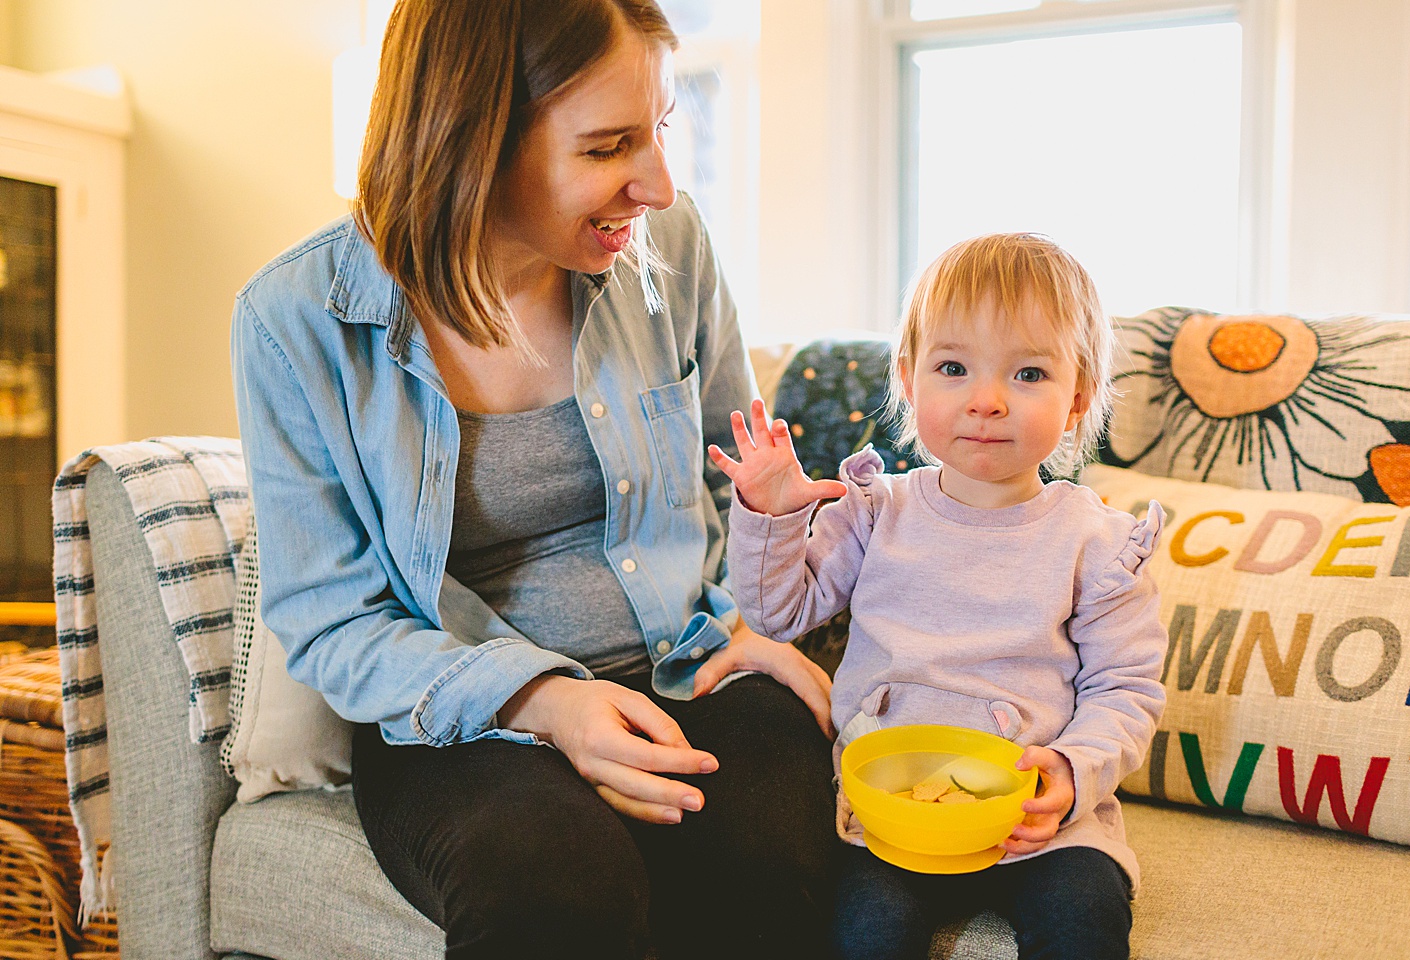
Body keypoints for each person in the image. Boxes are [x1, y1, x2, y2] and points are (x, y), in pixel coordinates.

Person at [230, 2, 837, 958]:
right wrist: (548, 704)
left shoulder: (671, 257)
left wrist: (752, 620)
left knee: (770, 859)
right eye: (608, 147)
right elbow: (332, 617)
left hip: (686, 662)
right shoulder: (296, 319)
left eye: (662, 129)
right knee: (558, 888)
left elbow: (738, 483)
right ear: (470, 139)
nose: (661, 186)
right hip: (462, 719)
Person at [710, 233, 1169, 960]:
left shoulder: (1098, 544)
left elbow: (1126, 687)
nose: (985, 402)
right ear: (910, 380)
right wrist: (772, 515)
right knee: (864, 937)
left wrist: (1074, 770)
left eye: (1027, 374)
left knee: (1087, 922)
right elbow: (778, 613)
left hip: (1039, 827)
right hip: (894, 818)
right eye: (953, 368)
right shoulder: (871, 509)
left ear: (1078, 396)